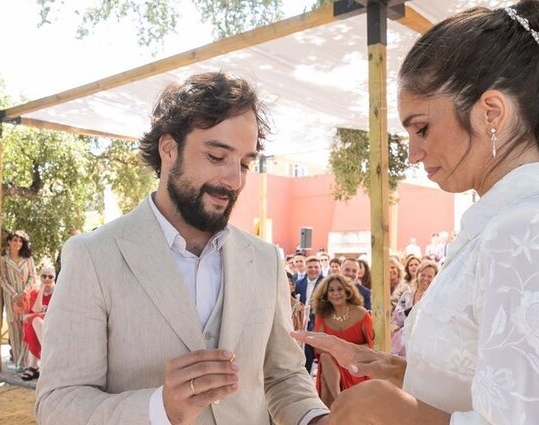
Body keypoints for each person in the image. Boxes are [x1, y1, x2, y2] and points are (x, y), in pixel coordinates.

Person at [294, 1, 539, 423]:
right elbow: (494, 387)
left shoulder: (531, 230)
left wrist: (391, 412)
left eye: (422, 127)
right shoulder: (504, 226)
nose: (412, 153)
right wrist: (398, 371)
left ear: (491, 113)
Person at [37, 72, 329, 425]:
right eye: (217, 156)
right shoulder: (93, 256)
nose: (235, 180)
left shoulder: (266, 260)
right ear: (169, 149)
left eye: (245, 163)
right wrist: (160, 408)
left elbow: (283, 376)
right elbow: (58, 404)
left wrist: (317, 420)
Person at [310, 274, 373, 408]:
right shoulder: (322, 316)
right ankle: (339, 399)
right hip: (332, 362)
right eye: (331, 290)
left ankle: (335, 409)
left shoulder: (361, 313)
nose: (336, 293)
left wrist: (343, 349)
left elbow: (370, 345)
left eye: (340, 289)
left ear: (347, 292)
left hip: (355, 363)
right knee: (326, 358)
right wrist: (337, 352)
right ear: (326, 295)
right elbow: (318, 347)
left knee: (325, 376)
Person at [0, 230, 37, 370]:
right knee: (15, 332)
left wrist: (24, 292)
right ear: (9, 242)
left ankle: (28, 363)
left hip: (26, 300)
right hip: (11, 301)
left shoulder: (28, 259)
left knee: (27, 329)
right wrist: (15, 294)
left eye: (20, 241)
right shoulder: (4, 260)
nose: (17, 243)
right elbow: (2, 279)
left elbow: (33, 277)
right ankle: (18, 363)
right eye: (15, 240)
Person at [391, 261, 438, 356]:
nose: (425, 278)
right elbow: (397, 318)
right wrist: (414, 308)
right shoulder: (406, 296)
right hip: (401, 346)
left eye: (430, 276)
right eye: (423, 275)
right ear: (417, 275)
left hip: (423, 348)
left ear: (435, 279)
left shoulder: (436, 300)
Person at [21, 264, 56, 381]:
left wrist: (37, 315)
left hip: (53, 324)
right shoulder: (35, 292)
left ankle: (33, 366)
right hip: (39, 325)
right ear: (40, 278)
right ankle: (41, 362)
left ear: (54, 278)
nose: (47, 279)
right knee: (34, 323)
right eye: (44, 276)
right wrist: (41, 290)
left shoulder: (58, 293)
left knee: (34, 321)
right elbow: (36, 310)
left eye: (50, 276)